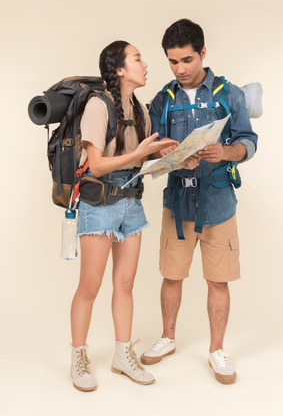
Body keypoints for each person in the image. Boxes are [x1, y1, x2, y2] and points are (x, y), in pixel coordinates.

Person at [141, 19, 258, 384]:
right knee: (171, 276)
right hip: (177, 202)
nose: (180, 69)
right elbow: (147, 149)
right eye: (173, 61)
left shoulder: (231, 94)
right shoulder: (163, 99)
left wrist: (226, 151)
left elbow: (249, 142)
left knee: (218, 280)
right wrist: (170, 154)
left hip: (219, 203)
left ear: (203, 53)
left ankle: (217, 351)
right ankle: (168, 337)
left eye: (187, 60)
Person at [69, 40, 177, 392]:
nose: (145, 64)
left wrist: (168, 155)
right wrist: (143, 152)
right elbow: (96, 165)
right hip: (99, 202)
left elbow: (139, 162)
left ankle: (121, 355)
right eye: (137, 59)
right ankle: (78, 358)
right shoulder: (98, 106)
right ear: (119, 69)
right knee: (90, 286)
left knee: (125, 284)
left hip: (132, 201)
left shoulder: (139, 108)